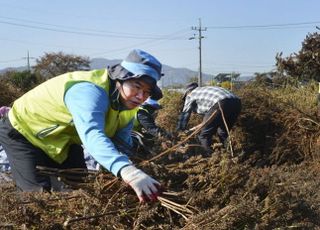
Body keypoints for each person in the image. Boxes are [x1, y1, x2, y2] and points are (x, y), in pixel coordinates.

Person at [0, 49, 163, 202]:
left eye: (147, 92)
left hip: (63, 139)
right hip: (23, 131)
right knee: (36, 198)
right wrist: (128, 172)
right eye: (137, 86)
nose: (141, 96)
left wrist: (126, 175)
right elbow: (93, 135)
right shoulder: (89, 92)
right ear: (120, 78)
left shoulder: (128, 108)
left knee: (82, 191)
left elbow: (122, 146)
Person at [176, 82, 241, 154]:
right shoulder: (204, 90)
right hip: (236, 103)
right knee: (223, 132)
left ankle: (209, 156)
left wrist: (180, 130)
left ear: (187, 92)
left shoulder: (191, 94)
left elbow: (185, 113)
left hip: (220, 103)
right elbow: (211, 116)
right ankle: (227, 153)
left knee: (204, 135)